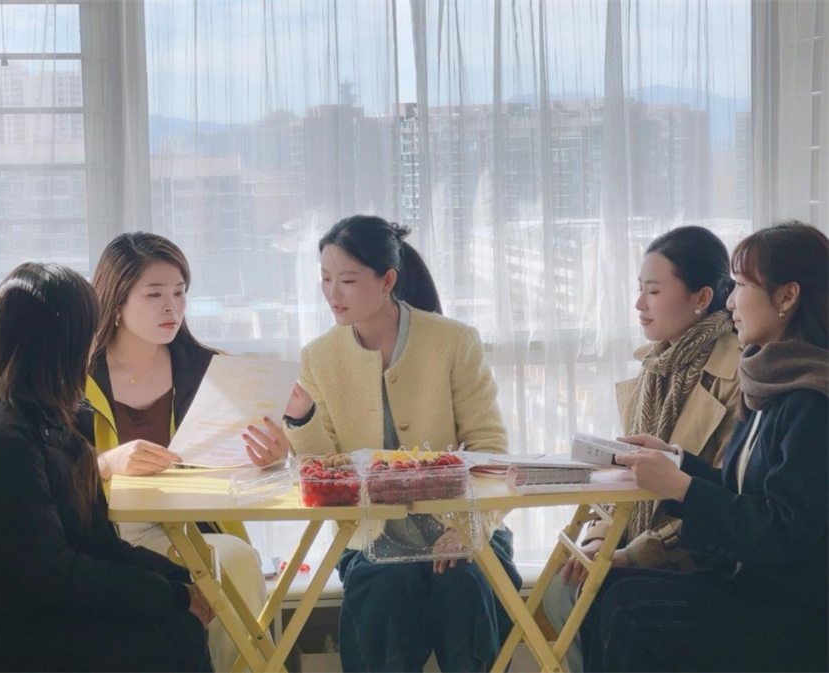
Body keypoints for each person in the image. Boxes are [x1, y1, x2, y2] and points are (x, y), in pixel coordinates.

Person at [0, 263, 213, 673]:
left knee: (178, 625)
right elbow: (52, 574)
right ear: (59, 344)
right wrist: (172, 596)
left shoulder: (55, 418)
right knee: (171, 635)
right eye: (89, 332)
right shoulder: (5, 437)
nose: (95, 344)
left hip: (30, 613)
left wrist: (180, 580)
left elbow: (97, 543)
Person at [581, 221, 829, 673]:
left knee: (629, 609)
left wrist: (682, 488)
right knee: (605, 589)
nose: (730, 301)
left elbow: (784, 530)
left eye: (741, 286)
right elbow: (742, 489)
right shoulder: (769, 381)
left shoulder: (811, 399)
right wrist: (676, 462)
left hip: (789, 611)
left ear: (787, 296)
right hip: (748, 588)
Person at [282, 215, 521, 673]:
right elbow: (325, 468)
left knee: (463, 583)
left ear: (387, 280)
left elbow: (490, 448)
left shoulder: (453, 341)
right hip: (372, 537)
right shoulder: (319, 356)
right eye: (325, 279)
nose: (332, 293)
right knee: (385, 586)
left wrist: (467, 528)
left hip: (462, 524)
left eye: (348, 280)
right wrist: (301, 418)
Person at [543, 226, 742, 673]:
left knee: (599, 595)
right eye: (639, 289)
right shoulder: (654, 370)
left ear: (701, 297)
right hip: (639, 539)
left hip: (696, 556)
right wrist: (599, 539)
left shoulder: (738, 376)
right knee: (561, 589)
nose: (638, 304)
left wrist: (633, 554)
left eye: (653, 291)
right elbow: (625, 474)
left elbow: (721, 496)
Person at [85, 232, 280, 671]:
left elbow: (247, 470)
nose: (172, 306)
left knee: (237, 560)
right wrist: (106, 464)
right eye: (154, 294)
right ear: (116, 301)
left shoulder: (211, 369)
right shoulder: (75, 376)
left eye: (179, 292)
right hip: (99, 533)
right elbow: (42, 474)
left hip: (185, 528)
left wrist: (272, 458)